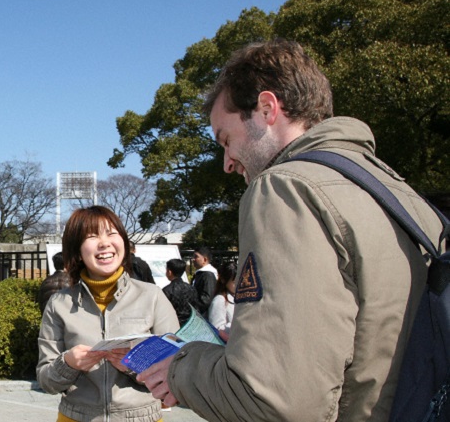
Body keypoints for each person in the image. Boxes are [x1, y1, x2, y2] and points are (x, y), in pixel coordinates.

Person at [137, 39, 446, 421]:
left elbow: (279, 400)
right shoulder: (398, 192)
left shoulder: (284, 188)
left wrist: (181, 368)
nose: (227, 163)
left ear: (267, 109)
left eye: (226, 139)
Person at [37, 206, 179, 422]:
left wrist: (134, 366)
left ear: (123, 242)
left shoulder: (152, 296)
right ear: (77, 250)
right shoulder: (59, 303)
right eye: (92, 236)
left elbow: (176, 370)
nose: (104, 243)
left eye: (112, 233)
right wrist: (68, 363)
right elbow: (46, 381)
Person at [161, 258, 197, 326]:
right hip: (189, 324)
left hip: (174, 324)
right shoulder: (191, 288)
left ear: (169, 272)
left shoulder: (167, 290)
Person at [207, 262, 236, 333]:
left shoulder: (237, 297)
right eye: (234, 282)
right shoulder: (220, 300)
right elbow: (216, 328)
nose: (239, 285)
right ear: (223, 280)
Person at [189, 246, 217, 315]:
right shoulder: (200, 273)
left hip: (204, 316)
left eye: (196, 257)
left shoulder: (207, 275)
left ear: (205, 259)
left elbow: (206, 300)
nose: (193, 259)